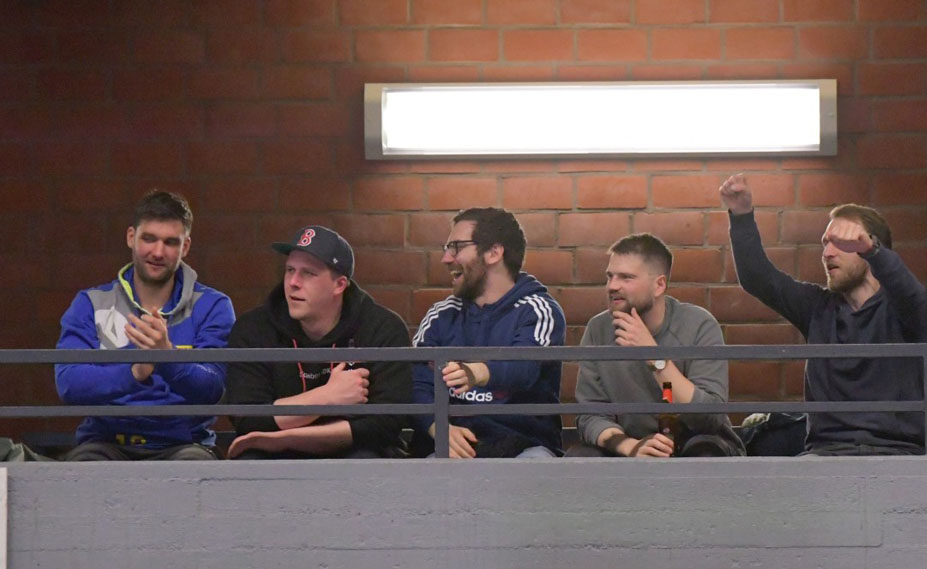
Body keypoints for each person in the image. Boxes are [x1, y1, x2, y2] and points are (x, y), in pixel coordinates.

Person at [719, 173, 927, 455]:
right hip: (826, 454)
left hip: (897, 453)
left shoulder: (903, 309)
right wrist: (741, 215)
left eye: (842, 242)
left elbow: (913, 295)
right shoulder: (817, 307)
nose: (828, 253)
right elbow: (758, 278)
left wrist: (873, 251)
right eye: (825, 243)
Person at [55, 190, 234, 461]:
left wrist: (166, 357)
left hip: (185, 446)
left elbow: (213, 388)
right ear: (131, 237)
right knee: (83, 466)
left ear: (185, 247)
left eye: (170, 242)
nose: (158, 252)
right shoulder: (90, 303)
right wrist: (134, 372)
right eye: (149, 238)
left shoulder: (213, 305)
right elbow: (69, 384)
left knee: (195, 465)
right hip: (104, 444)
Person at [224, 225, 412, 459]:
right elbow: (247, 417)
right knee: (250, 461)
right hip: (274, 455)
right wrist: (327, 398)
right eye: (290, 270)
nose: (293, 282)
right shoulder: (253, 328)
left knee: (366, 459)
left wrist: (280, 438)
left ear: (339, 285)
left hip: (355, 451)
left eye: (308, 273)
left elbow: (384, 425)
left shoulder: (382, 327)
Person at [571, 233, 744, 457]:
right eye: (610, 276)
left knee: (704, 452)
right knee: (580, 458)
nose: (612, 286)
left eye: (626, 277)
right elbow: (591, 415)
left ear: (659, 285)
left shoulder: (698, 324)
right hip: (630, 446)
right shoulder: (598, 329)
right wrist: (630, 447)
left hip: (697, 442)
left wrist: (654, 356)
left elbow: (709, 417)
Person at [412, 207, 565, 459]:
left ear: (494, 252)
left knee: (536, 467)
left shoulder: (538, 310)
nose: (446, 258)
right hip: (452, 448)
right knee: (423, 474)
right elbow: (417, 382)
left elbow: (525, 367)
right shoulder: (441, 314)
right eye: (446, 248)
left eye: (456, 247)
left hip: (524, 447)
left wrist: (476, 372)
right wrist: (436, 427)